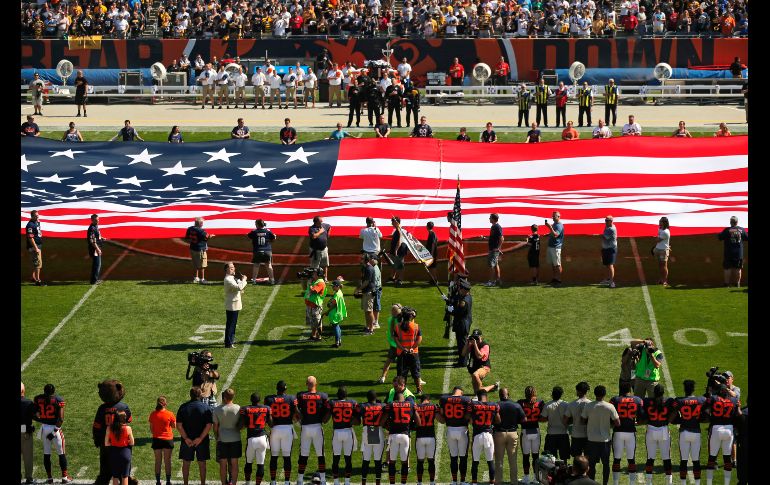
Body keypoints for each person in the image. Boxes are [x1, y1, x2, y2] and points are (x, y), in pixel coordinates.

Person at [32, 384, 73, 483]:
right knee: (61, 453)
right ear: (53, 391)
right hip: (55, 429)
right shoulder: (58, 400)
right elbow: (61, 419)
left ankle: (49, 478)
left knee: (46, 454)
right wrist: (54, 431)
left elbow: (34, 414)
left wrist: (42, 419)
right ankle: (64, 477)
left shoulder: (38, 399)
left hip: (44, 428)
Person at [294, 376, 330, 485]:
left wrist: (298, 420)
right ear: (316, 383)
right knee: (321, 455)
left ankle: (300, 480)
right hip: (317, 428)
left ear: (306, 384)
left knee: (303, 454)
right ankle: (323, 480)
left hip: (305, 428)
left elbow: (295, 410)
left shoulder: (301, 396)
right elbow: (327, 411)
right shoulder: (323, 396)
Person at [669, 380, 706, 485]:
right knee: (696, 461)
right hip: (696, 432)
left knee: (684, 461)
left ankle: (683, 483)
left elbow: (672, 415)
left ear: (684, 389)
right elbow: (707, 410)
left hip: (684, 432)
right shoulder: (701, 399)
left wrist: (673, 420)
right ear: (693, 389)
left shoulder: (679, 401)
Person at [582, 385, 620, 485]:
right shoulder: (610, 406)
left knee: (591, 465)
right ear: (604, 394)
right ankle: (605, 483)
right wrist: (609, 424)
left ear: (595, 394)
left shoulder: (588, 406)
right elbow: (617, 423)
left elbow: (582, 420)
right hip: (605, 441)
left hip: (592, 440)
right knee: (606, 464)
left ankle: (592, 483)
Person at [176, 387, 214, 485]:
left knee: (186, 463)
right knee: (202, 463)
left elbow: (179, 425)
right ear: (200, 395)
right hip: (202, 440)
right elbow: (209, 425)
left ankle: (185, 483)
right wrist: (200, 438)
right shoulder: (206, 407)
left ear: (190, 395)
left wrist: (186, 438)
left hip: (187, 440)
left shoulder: (183, 407)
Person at [704, 385, 741, 485]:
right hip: (729, 429)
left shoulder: (713, 398)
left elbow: (705, 410)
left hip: (716, 429)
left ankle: (709, 483)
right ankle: (726, 483)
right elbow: (738, 415)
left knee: (712, 458)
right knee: (727, 458)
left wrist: (710, 418)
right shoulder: (734, 400)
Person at [383, 391, 421, 485]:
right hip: (405, 436)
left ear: (395, 399)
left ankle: (392, 483)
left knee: (392, 462)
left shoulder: (391, 405)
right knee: (404, 462)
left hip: (393, 436)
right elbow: (419, 423)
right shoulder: (411, 404)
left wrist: (387, 426)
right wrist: (412, 426)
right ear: (403, 398)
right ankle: (403, 483)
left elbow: (382, 421)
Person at [609, 382, 644, 484]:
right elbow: (642, 418)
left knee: (616, 460)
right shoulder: (637, 400)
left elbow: (610, 417)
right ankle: (632, 483)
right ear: (630, 389)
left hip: (618, 432)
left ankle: (615, 483)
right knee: (631, 460)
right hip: (630, 432)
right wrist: (637, 422)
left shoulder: (614, 400)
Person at [324, 387, 359, 485]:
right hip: (348, 432)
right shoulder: (352, 403)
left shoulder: (332, 403)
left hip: (337, 432)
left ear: (337, 394)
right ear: (346, 395)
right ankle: (347, 482)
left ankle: (336, 482)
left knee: (336, 459)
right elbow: (358, 422)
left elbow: (325, 420)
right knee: (348, 459)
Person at [265, 381, 296, 485]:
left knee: (274, 457)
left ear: (276, 388)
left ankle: (273, 481)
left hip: (275, 429)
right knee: (287, 457)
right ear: (285, 389)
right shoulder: (291, 398)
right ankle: (287, 482)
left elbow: (267, 416)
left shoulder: (269, 399)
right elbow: (295, 413)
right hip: (287, 429)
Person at [641, 384, 673, 485]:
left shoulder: (647, 401)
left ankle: (648, 483)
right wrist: (668, 421)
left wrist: (645, 420)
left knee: (650, 458)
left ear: (654, 392)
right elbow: (675, 412)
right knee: (666, 458)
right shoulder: (669, 401)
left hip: (651, 430)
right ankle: (669, 483)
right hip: (663, 430)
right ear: (663, 392)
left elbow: (642, 415)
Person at [439, 386, 472, 485]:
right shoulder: (466, 399)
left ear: (453, 391)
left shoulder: (444, 399)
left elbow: (442, 414)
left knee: (453, 457)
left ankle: (454, 481)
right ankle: (462, 481)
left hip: (450, 430)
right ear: (461, 392)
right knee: (463, 457)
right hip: (462, 430)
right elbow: (468, 416)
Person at [494, 388, 526, 485]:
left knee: (499, 460)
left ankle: (498, 482)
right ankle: (514, 482)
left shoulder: (496, 405)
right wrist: (515, 421)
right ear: (508, 394)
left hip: (499, 434)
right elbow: (524, 419)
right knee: (513, 460)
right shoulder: (516, 405)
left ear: (500, 395)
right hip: (512, 434)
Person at [468, 390, 500, 485]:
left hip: (477, 436)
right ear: (486, 396)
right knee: (490, 461)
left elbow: (467, 417)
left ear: (478, 397)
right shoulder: (494, 405)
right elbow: (498, 420)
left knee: (475, 461)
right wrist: (490, 419)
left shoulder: (473, 404)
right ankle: (492, 482)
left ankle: (474, 482)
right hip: (488, 435)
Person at [239, 392, 272, 485]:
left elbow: (241, 425)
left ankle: (248, 483)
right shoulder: (266, 408)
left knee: (248, 463)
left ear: (251, 400)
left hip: (251, 439)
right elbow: (271, 423)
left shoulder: (245, 409)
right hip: (262, 439)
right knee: (260, 464)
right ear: (259, 400)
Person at [213, 388, 242, 485]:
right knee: (234, 464)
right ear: (233, 397)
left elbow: (215, 427)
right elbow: (241, 424)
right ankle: (233, 483)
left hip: (222, 440)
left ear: (224, 397)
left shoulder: (217, 409)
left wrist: (217, 437)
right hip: (236, 439)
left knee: (223, 464)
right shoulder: (238, 408)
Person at [517, 386, 545, 485]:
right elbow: (543, 417)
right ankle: (536, 478)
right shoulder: (540, 402)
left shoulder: (520, 402)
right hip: (536, 431)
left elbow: (518, 417)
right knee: (535, 456)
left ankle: (526, 478)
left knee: (526, 456)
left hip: (525, 431)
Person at [394, 306, 424, 394]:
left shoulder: (397, 326)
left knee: (401, 374)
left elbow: (396, 340)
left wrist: (402, 348)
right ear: (410, 317)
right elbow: (419, 339)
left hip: (401, 353)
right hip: (413, 353)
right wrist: (412, 348)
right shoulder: (416, 326)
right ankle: (419, 389)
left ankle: (402, 391)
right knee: (416, 372)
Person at [414, 394, 441, 485]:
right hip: (430, 437)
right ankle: (432, 482)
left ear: (421, 400)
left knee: (420, 462)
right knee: (431, 461)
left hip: (420, 437)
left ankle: (419, 482)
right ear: (428, 400)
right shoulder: (433, 407)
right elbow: (441, 420)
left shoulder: (417, 407)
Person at [149, 396, 176, 485]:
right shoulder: (170, 414)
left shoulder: (153, 414)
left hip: (157, 440)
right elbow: (174, 426)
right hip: (168, 439)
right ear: (165, 403)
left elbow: (151, 429)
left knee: (158, 461)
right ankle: (168, 481)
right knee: (167, 461)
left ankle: (158, 481)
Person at [463, 329, 499, 394]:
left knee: (475, 375)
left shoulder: (485, 346)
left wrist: (475, 344)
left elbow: (479, 356)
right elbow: (463, 353)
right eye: (474, 337)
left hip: (484, 367)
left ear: (481, 337)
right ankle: (495, 386)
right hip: (474, 367)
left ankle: (480, 394)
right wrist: (467, 342)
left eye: (477, 337)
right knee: (477, 391)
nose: (476, 339)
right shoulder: (471, 344)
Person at [563, 382, 592, 459]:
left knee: (576, 458)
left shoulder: (572, 404)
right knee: (588, 458)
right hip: (588, 435)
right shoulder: (591, 404)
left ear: (578, 391)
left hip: (576, 435)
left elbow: (565, 420)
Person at [718, 216, 748, 287]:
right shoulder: (742, 229)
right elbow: (747, 238)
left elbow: (720, 237)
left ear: (730, 222)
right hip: (738, 253)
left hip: (728, 253)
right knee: (738, 268)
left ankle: (726, 284)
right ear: (737, 222)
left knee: (727, 268)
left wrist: (720, 234)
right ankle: (737, 284)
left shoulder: (727, 230)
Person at [105, 411, 134, 485]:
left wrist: (113, 443)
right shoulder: (128, 428)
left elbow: (106, 443)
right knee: (125, 476)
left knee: (115, 476)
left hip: (114, 453)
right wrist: (126, 442)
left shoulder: (109, 428)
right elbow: (132, 443)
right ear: (124, 418)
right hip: (125, 453)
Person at [541, 387, 570, 461]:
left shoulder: (547, 405)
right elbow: (569, 418)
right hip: (563, 434)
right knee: (564, 458)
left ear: (552, 394)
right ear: (561, 394)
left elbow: (543, 419)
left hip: (551, 435)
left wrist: (549, 418)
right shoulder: (566, 404)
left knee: (551, 459)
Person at [377, 303, 403, 384]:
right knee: (406, 362)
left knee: (388, 361)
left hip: (393, 344)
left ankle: (383, 377)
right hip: (400, 345)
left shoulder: (391, 319)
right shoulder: (400, 321)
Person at [223, 262, 247, 349]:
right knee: (230, 325)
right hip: (232, 305)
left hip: (235, 304)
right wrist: (244, 280)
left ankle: (231, 340)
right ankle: (228, 343)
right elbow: (239, 287)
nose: (233, 269)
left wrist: (242, 282)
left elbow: (240, 286)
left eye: (233, 267)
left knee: (233, 324)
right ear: (227, 270)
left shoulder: (232, 278)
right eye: (231, 268)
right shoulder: (228, 279)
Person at [449, 278, 473, 366]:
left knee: (462, 344)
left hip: (462, 324)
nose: (459, 290)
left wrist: (450, 310)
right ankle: (463, 359)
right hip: (464, 322)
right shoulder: (467, 296)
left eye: (461, 289)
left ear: (464, 290)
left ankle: (462, 362)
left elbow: (458, 313)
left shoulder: (464, 301)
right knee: (462, 343)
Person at [247, 219, 277, 285]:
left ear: (257, 224)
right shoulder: (268, 231)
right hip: (267, 250)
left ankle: (254, 280)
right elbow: (274, 238)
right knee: (269, 265)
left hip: (257, 250)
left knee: (256, 265)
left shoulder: (254, 231)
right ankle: (272, 280)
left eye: (255, 224)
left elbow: (248, 237)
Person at [185, 217, 214, 284]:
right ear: (200, 223)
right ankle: (202, 279)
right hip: (201, 249)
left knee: (195, 263)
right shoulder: (201, 231)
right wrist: (211, 236)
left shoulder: (190, 229)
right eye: (202, 223)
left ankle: (196, 278)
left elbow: (187, 237)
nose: (203, 224)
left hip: (193, 248)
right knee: (203, 264)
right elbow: (207, 237)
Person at [304, 268, 327, 341]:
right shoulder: (314, 281)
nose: (313, 274)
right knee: (312, 322)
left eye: (314, 273)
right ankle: (313, 335)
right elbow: (305, 288)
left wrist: (310, 284)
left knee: (317, 322)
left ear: (319, 274)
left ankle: (319, 337)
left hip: (316, 305)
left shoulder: (321, 283)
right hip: (310, 304)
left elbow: (314, 291)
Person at [357, 254, 378, 336]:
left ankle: (371, 329)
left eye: (362, 259)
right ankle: (367, 327)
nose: (360, 260)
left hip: (369, 292)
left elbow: (366, 282)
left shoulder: (369, 269)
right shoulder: (364, 267)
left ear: (366, 260)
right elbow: (362, 279)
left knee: (369, 311)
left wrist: (359, 289)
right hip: (365, 291)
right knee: (366, 310)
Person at [324, 277, 348, 347]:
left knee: (335, 327)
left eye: (333, 286)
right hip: (338, 312)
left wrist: (327, 312)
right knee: (337, 326)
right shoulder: (339, 292)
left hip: (335, 313)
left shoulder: (337, 295)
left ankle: (337, 342)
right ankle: (339, 341)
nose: (332, 287)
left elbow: (333, 305)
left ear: (337, 286)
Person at [543, 211, 565, 285]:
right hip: (551, 246)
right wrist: (548, 234)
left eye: (554, 216)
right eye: (552, 216)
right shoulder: (555, 224)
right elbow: (553, 233)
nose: (552, 217)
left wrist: (549, 227)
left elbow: (555, 234)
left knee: (558, 264)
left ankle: (559, 280)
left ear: (558, 217)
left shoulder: (559, 225)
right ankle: (555, 278)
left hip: (556, 247)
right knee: (553, 264)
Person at [21, 382, 36, 485]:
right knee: (28, 456)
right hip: (25, 431)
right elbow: (36, 416)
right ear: (23, 391)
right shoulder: (28, 402)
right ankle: (29, 478)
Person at [308, 215, 332, 281]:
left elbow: (329, 226)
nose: (322, 222)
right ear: (316, 222)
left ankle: (325, 278)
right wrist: (320, 232)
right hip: (316, 250)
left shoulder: (324, 225)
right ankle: (315, 279)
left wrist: (328, 234)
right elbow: (314, 236)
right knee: (315, 266)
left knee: (325, 264)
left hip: (324, 249)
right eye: (320, 221)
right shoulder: (312, 228)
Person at [25, 210, 45, 286]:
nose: (38, 217)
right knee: (38, 264)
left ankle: (33, 277)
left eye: (38, 215)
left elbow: (38, 229)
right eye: (36, 216)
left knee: (37, 263)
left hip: (38, 245)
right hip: (34, 246)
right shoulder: (30, 225)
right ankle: (38, 281)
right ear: (32, 216)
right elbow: (30, 238)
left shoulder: (37, 222)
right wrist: (35, 248)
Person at [388, 216, 408, 286]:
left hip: (400, 250)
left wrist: (396, 250)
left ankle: (400, 279)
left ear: (396, 222)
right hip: (397, 250)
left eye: (393, 222)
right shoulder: (398, 230)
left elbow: (399, 241)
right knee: (395, 264)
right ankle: (392, 277)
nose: (392, 224)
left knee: (400, 265)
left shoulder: (400, 230)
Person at [87, 213, 106, 284]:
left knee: (97, 264)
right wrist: (98, 249)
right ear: (92, 220)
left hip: (97, 247)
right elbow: (92, 241)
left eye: (98, 219)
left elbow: (97, 236)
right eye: (96, 220)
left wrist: (102, 238)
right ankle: (94, 280)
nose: (98, 221)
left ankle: (95, 279)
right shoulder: (92, 228)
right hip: (94, 249)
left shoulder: (96, 226)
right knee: (97, 265)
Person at [601, 215, 618, 288]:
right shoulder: (607, 227)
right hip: (606, 248)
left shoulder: (611, 229)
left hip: (611, 249)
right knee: (607, 265)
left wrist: (600, 235)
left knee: (610, 265)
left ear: (611, 221)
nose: (605, 222)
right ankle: (607, 279)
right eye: (605, 220)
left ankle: (612, 282)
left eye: (607, 221)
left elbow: (605, 237)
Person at [654, 217, 671, 286]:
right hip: (658, 249)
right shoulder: (660, 229)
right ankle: (661, 279)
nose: (659, 222)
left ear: (664, 223)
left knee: (664, 266)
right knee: (660, 265)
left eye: (661, 221)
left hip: (663, 250)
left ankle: (665, 281)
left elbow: (657, 240)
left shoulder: (665, 232)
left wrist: (656, 238)